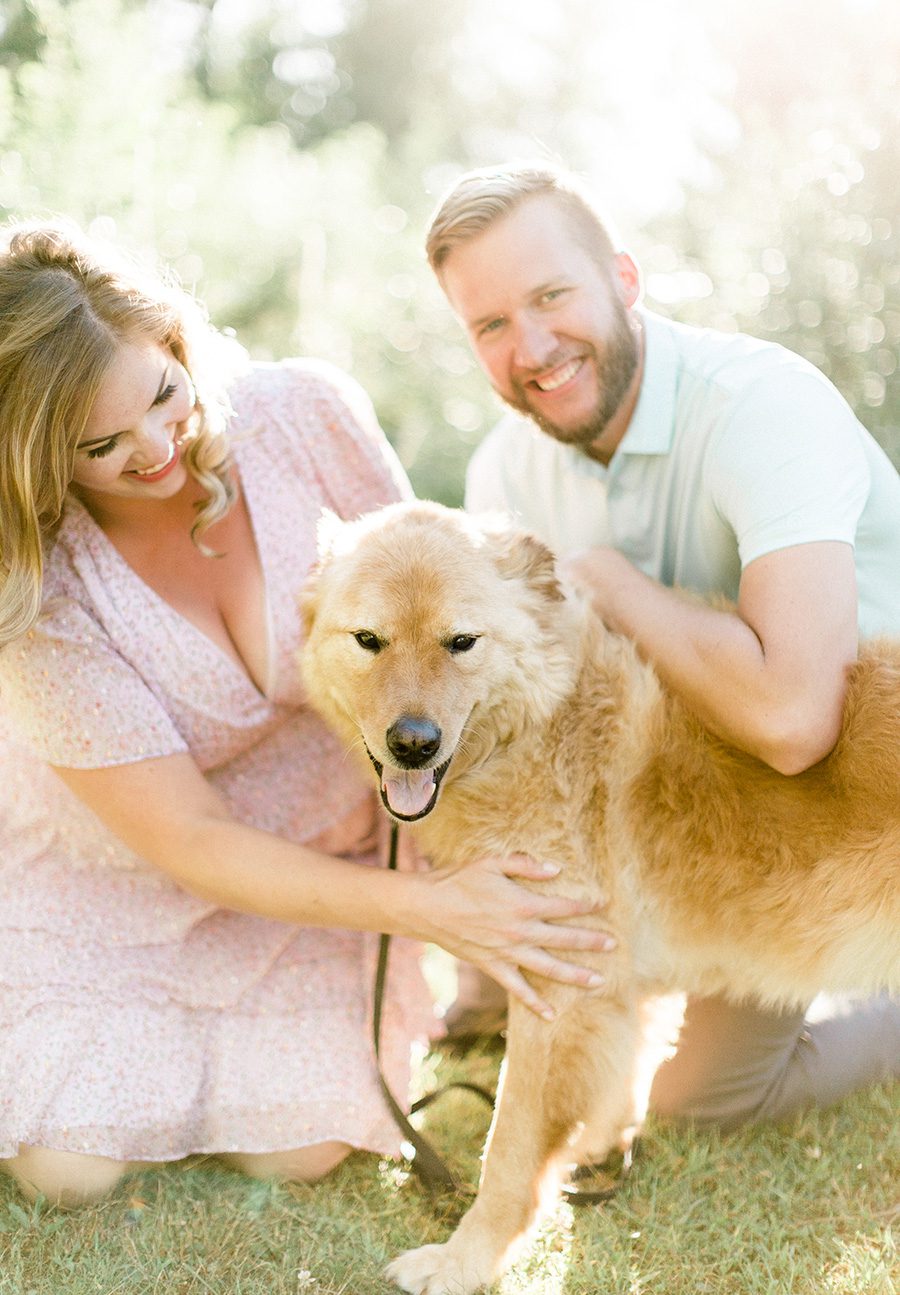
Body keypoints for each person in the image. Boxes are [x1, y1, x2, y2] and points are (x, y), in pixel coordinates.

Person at [0, 220, 614, 1207]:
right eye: (102, 445)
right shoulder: (37, 588)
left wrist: (474, 890)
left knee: (304, 1149)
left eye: (164, 397)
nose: (161, 448)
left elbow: (433, 623)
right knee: (70, 1170)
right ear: (34, 456)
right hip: (120, 878)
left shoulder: (300, 413)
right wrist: (434, 911)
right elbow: (190, 836)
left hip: (327, 857)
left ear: (173, 340)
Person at [425, 162, 900, 1127]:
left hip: (859, 780)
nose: (534, 346)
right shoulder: (501, 473)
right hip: (710, 797)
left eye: (552, 296)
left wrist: (617, 588)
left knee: (703, 1102)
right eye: (491, 325)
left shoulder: (761, 405)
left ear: (625, 280)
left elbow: (798, 720)